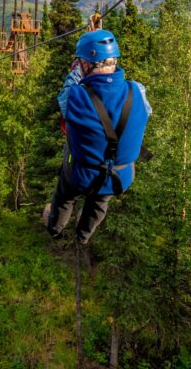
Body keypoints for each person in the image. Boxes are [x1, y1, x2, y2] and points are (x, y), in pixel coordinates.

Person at [44, 29, 151, 245]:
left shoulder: (73, 96)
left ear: (85, 65)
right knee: (101, 201)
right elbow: (136, 105)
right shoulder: (138, 91)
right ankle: (82, 236)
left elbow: (69, 84)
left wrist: (78, 65)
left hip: (81, 176)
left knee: (65, 196)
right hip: (119, 176)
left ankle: (55, 228)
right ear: (115, 60)